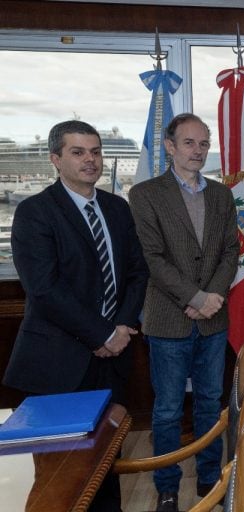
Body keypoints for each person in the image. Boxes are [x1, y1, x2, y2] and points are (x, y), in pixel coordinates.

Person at [4, 119, 149, 511]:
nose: (90, 160)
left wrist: (122, 327)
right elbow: (45, 290)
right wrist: (102, 334)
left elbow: (138, 273)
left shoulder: (118, 208)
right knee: (62, 475)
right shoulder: (35, 213)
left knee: (106, 461)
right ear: (56, 159)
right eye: (78, 152)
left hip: (114, 356)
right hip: (58, 362)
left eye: (96, 151)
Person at [129, 113, 239, 512]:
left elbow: (231, 251)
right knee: (169, 408)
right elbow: (153, 258)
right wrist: (194, 296)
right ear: (170, 146)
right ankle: (168, 486)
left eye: (204, 143)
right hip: (168, 318)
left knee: (211, 402)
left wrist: (211, 297)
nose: (198, 151)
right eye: (190, 143)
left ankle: (210, 478)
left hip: (213, 316)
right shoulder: (144, 194)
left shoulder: (221, 195)